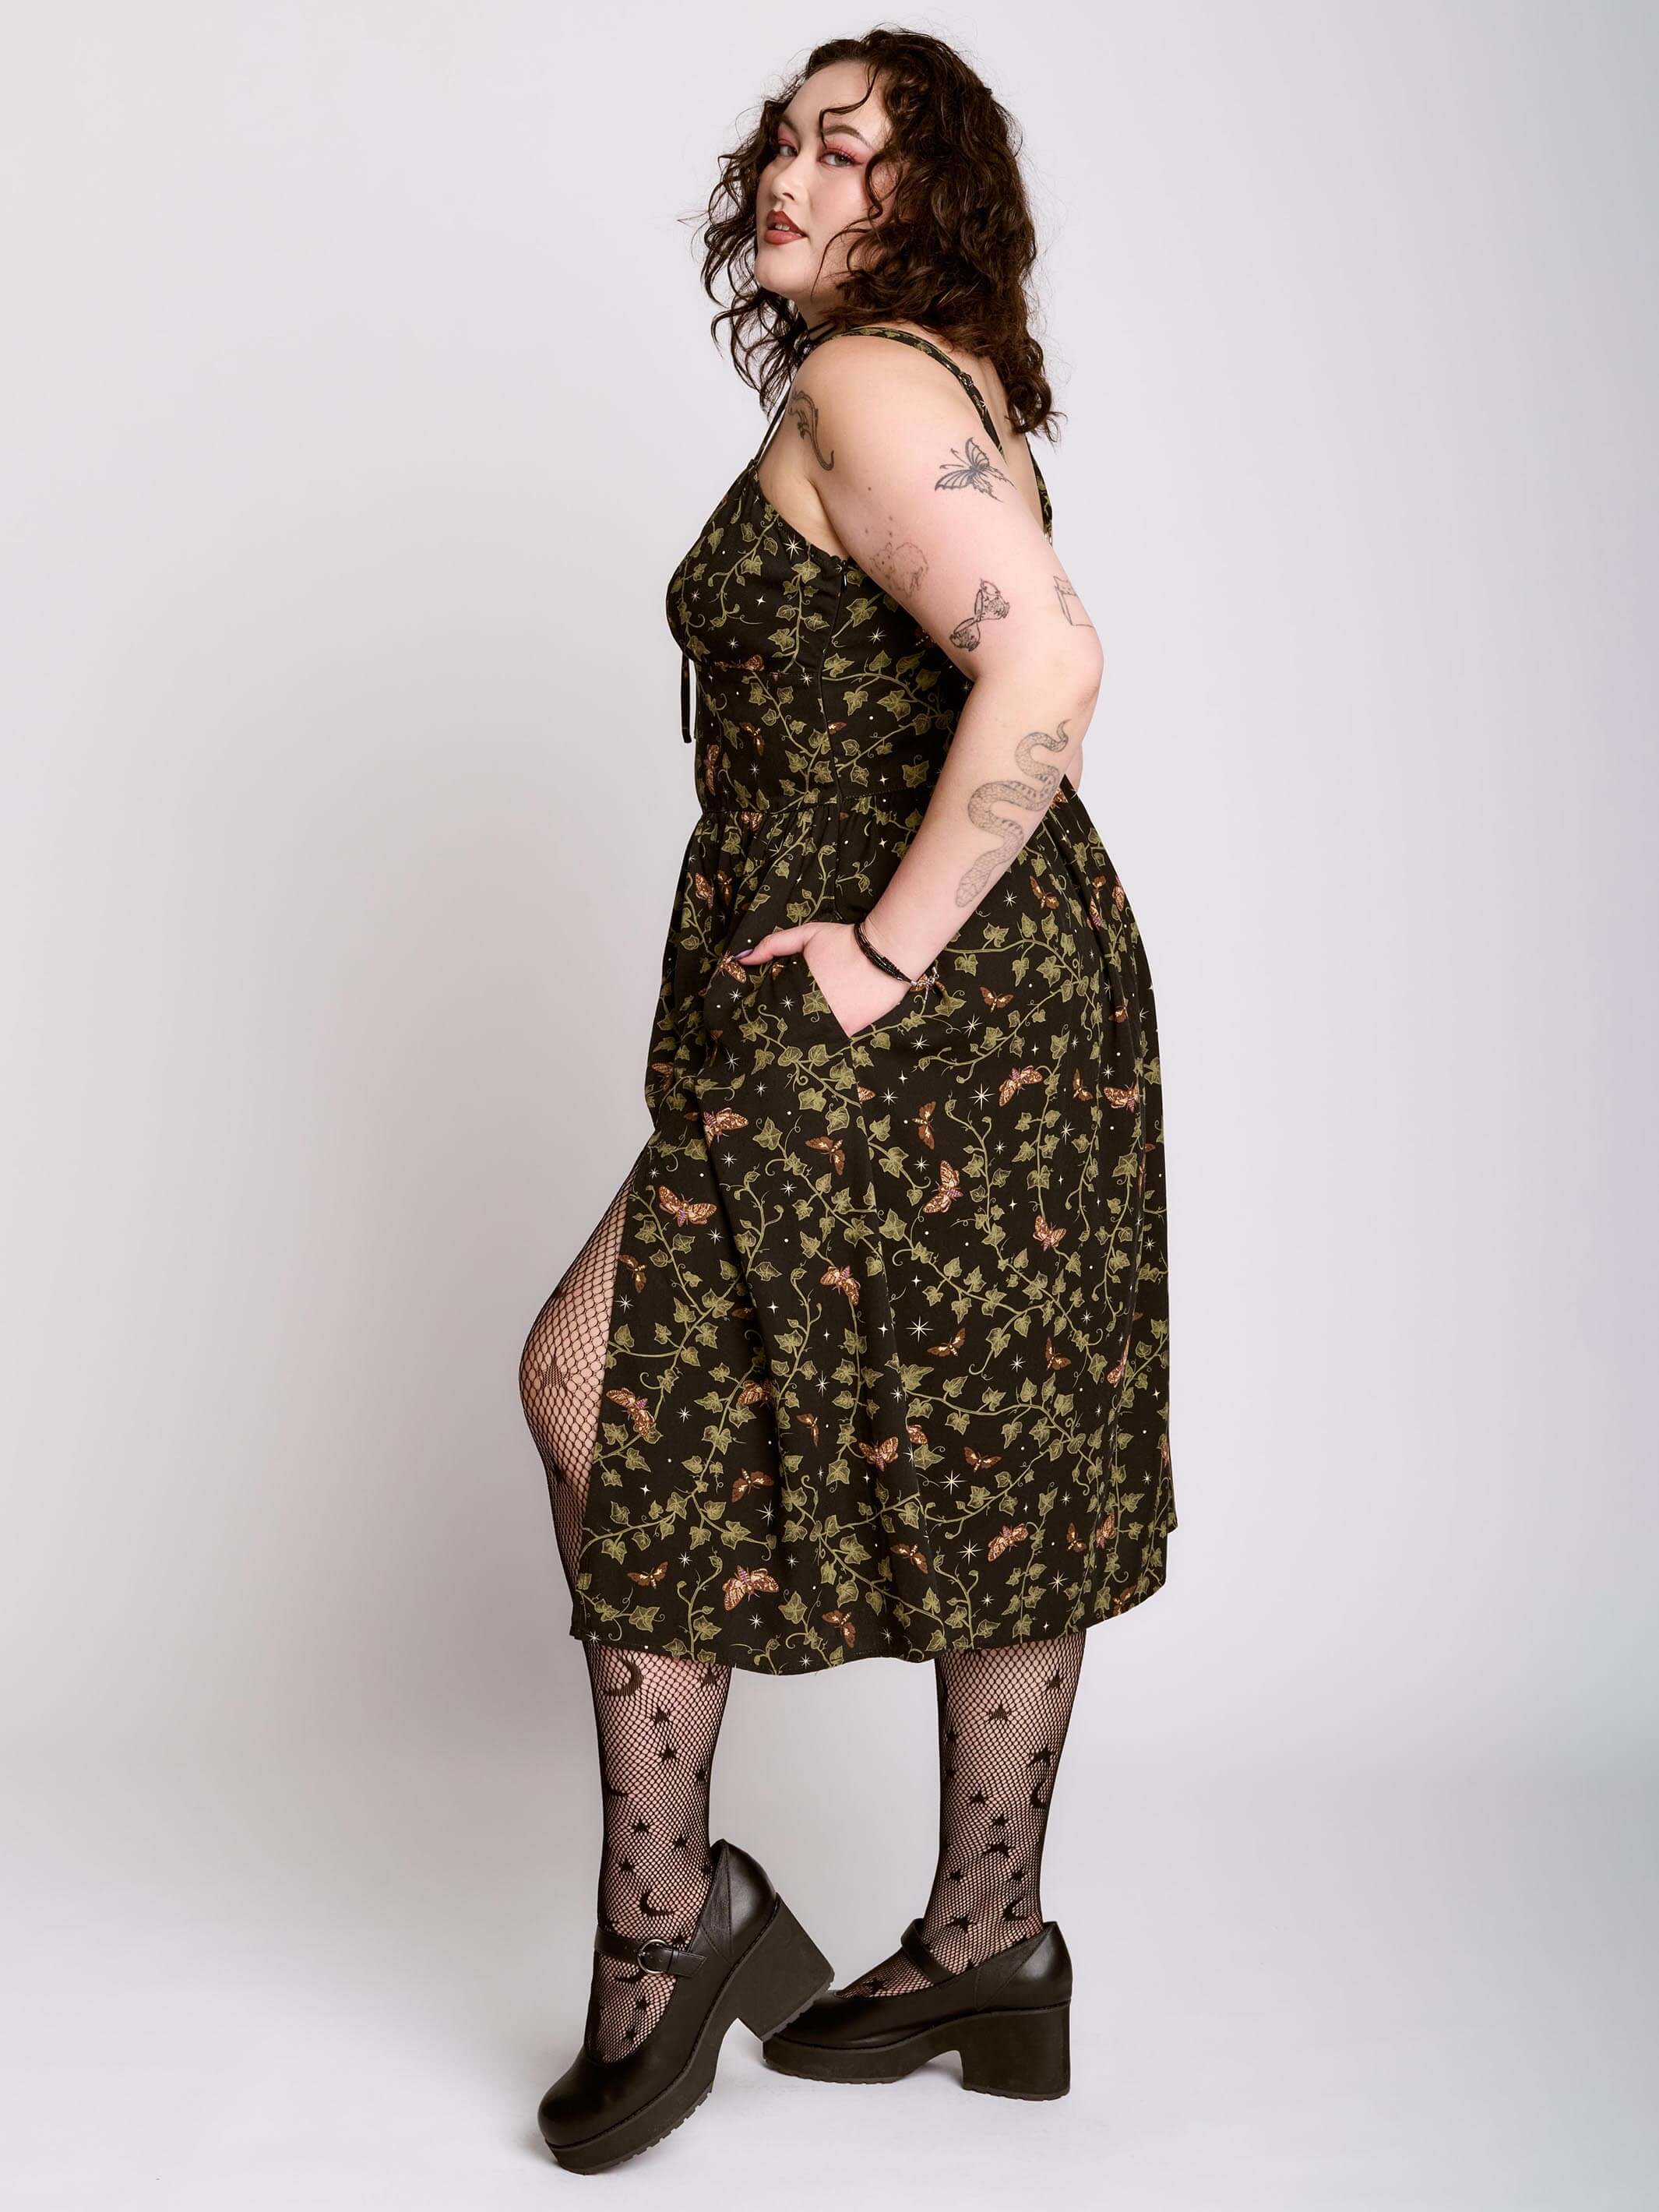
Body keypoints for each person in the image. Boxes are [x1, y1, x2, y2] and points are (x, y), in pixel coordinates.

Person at [519, 27, 1176, 2171]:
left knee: (606, 1383)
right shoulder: (923, 382)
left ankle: (682, 1927)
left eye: (846, 150)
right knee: (974, 1447)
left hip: (916, 1004)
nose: (785, 176)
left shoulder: (871, 382)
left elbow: (1047, 663)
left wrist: (881, 958)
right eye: (783, 141)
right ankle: (971, 1937)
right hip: (970, 1005)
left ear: (928, 203)